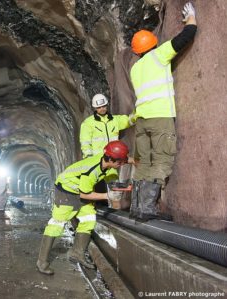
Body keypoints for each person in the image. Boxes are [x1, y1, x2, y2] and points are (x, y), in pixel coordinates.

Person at [129, 2, 197, 221]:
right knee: (161, 161)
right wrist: (191, 19)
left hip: (142, 122)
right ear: (153, 44)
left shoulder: (135, 68)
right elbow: (186, 37)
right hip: (160, 118)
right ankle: (147, 208)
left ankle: (136, 207)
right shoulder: (158, 56)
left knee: (144, 163)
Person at [36, 141, 130, 274]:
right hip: (66, 192)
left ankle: (76, 253)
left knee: (88, 219)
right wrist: (108, 195)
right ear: (110, 159)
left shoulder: (104, 159)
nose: (121, 165)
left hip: (80, 190)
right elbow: (85, 195)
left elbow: (117, 165)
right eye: (120, 162)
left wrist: (134, 161)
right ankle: (42, 261)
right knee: (56, 224)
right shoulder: (91, 171)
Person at [80, 93, 135, 159]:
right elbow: (85, 142)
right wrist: (88, 157)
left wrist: (139, 113)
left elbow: (128, 120)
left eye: (103, 106)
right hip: (97, 159)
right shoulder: (88, 123)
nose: (102, 109)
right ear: (95, 108)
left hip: (113, 159)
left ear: (106, 105)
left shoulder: (115, 120)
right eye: (99, 107)